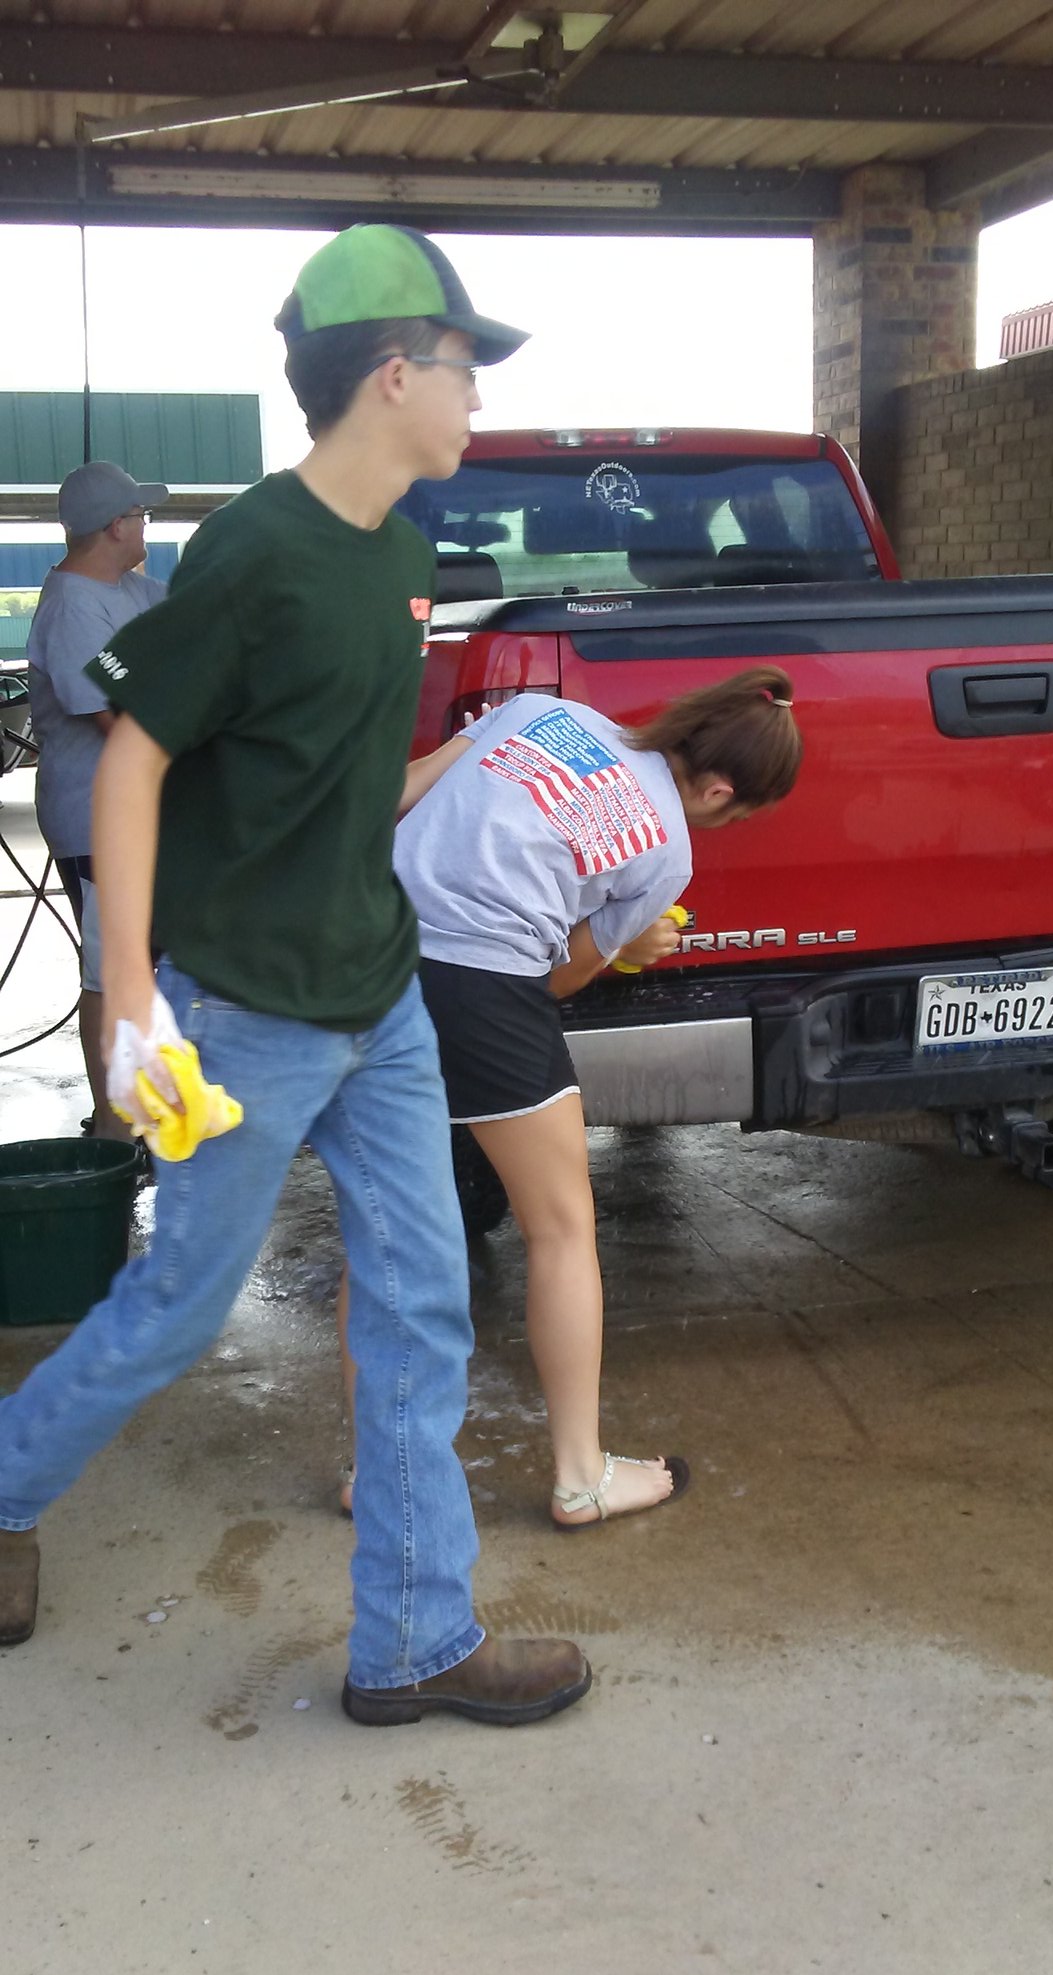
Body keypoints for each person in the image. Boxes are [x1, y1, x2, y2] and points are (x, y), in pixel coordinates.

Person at [0, 223, 592, 1732]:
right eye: (465, 371)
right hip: (245, 1013)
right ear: (394, 374)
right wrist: (129, 985)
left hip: (378, 1001)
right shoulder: (256, 551)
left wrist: (464, 756)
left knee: (423, 1305)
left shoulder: (405, 555)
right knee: (180, 1313)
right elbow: (135, 760)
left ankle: (411, 1641)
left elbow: (335, 766)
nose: (480, 401)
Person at [336, 668, 803, 1527]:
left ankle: (380, 1475)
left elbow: (398, 794)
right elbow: (557, 980)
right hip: (484, 988)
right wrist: (635, 945)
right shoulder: (666, 852)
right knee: (560, 1230)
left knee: (384, 1230)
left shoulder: (538, 713)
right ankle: (582, 1476)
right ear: (719, 789)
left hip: (365, 949)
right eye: (735, 813)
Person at [25, 462, 170, 1137]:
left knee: (151, 959)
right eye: (141, 516)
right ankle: (113, 1130)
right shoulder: (74, 607)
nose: (146, 526)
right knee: (112, 967)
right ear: (117, 525)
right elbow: (120, 721)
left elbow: (204, 614)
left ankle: (159, 1102)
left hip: (147, 814)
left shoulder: (131, 591)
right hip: (98, 819)